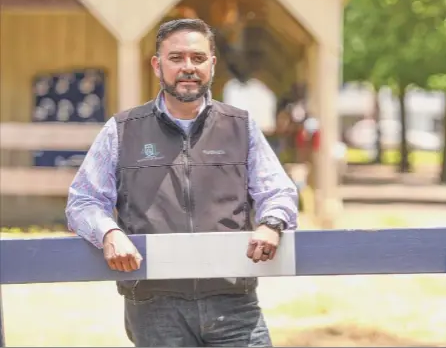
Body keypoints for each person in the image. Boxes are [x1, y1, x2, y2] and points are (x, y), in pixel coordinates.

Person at [65, 18, 299, 347]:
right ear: (157, 65)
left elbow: (278, 190)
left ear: (212, 65)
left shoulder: (240, 126)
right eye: (176, 58)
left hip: (232, 303)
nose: (188, 67)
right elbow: (83, 200)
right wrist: (109, 233)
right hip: (154, 306)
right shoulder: (122, 130)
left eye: (198, 58)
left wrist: (271, 223)